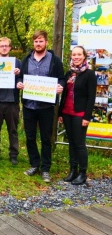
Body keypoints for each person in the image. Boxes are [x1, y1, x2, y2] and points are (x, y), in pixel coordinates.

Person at [17, 30, 65, 183]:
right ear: (33, 43)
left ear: (46, 42)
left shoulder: (54, 60)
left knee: (46, 138)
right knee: (30, 137)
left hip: (46, 106)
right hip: (29, 105)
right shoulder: (26, 59)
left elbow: (62, 79)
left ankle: (45, 169)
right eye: (36, 41)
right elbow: (20, 77)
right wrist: (18, 82)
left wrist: (60, 87)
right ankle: (34, 164)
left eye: (41, 41)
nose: (38, 44)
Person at [58, 46, 96, 185]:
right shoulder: (69, 73)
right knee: (72, 143)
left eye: (79, 54)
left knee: (79, 144)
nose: (76, 57)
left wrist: (87, 117)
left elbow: (91, 97)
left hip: (80, 114)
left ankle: (82, 173)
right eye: (74, 55)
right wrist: (61, 112)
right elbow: (65, 94)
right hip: (67, 113)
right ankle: (73, 170)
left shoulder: (89, 74)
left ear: (84, 56)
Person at [0, 37, 21, 165]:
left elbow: (22, 79)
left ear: (10, 47)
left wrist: (18, 76)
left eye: (6, 46)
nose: (4, 48)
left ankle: (14, 154)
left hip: (12, 101)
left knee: (12, 130)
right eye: (1, 46)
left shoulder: (17, 62)